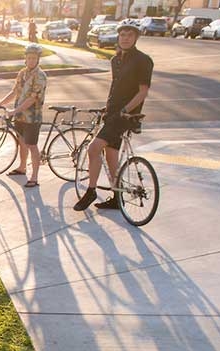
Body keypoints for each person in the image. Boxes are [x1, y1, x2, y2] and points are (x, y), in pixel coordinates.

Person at [74, 19, 153, 211]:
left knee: (93, 148)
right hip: (112, 114)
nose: (125, 38)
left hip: (126, 116)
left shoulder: (143, 60)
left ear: (136, 38)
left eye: (130, 35)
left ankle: (91, 191)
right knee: (111, 157)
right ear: (119, 36)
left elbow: (142, 92)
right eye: (123, 35)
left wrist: (124, 110)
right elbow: (116, 88)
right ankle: (117, 199)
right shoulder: (115, 59)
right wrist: (107, 107)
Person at [0, 43, 47, 188]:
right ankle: (22, 168)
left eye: (34, 58)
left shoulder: (40, 76)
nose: (31, 60)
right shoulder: (22, 73)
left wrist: (14, 111)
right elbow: (14, 91)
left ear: (38, 59)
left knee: (32, 145)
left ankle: (34, 177)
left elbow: (32, 99)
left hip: (32, 117)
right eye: (29, 58)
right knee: (21, 141)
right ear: (25, 59)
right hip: (20, 117)